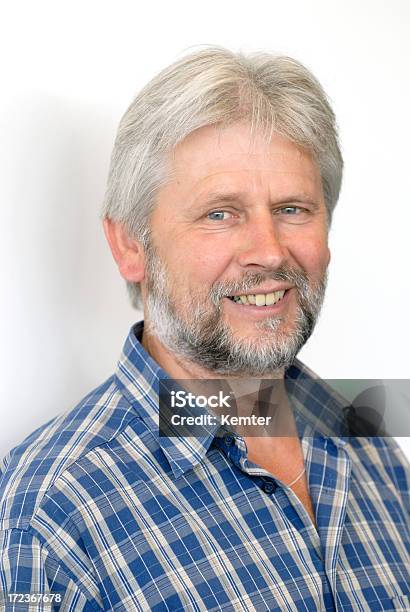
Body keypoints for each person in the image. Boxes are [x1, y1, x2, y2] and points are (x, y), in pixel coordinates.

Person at [0, 47, 409, 611]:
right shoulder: (58, 512)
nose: (269, 251)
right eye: (220, 213)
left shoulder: (367, 437)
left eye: (292, 208)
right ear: (129, 246)